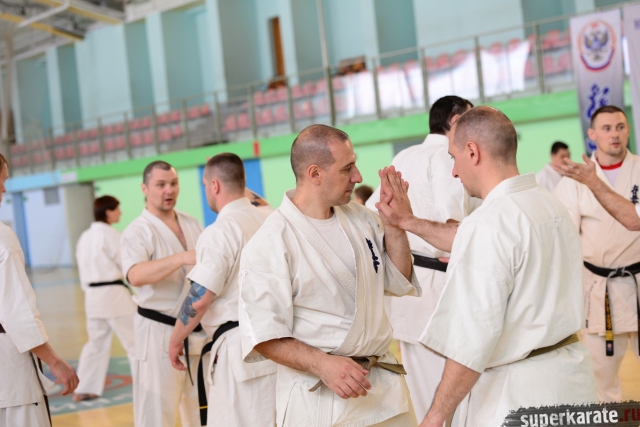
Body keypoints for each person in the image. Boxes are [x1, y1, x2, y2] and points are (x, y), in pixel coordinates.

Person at [377, 106, 596, 426]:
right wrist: (407, 221)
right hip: (571, 379)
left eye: (453, 158)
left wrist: (436, 415)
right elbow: (467, 235)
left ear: (472, 152)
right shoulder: (547, 203)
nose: (454, 172)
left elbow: (470, 344)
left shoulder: (490, 223)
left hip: (518, 394)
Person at [238, 124, 421, 426]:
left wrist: (397, 224)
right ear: (315, 174)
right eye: (347, 168)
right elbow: (263, 334)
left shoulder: (362, 219)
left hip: (383, 391)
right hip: (321, 398)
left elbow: (397, 281)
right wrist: (322, 364)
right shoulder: (271, 242)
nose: (358, 176)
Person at [365, 95, 476, 420]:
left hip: (407, 287)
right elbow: (453, 222)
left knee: (424, 389)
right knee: (453, 393)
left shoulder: (404, 155)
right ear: (454, 121)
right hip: (439, 284)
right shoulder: (445, 156)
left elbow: (372, 212)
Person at [168, 153, 277, 427]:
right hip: (279, 339)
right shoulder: (269, 217)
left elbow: (200, 298)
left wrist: (175, 339)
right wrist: (231, 174)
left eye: (206, 185)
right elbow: (254, 199)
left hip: (240, 347)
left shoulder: (220, 231)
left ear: (214, 185)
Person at [554, 105, 640, 402]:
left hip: (639, 282)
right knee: (600, 380)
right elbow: (564, 238)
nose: (614, 134)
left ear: (628, 130)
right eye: (606, 128)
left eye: (620, 127)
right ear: (592, 134)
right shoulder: (573, 181)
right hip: (599, 290)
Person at [120, 160, 204, 427]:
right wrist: (180, 257)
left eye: (174, 183)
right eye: (161, 185)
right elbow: (135, 274)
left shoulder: (191, 223)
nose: (169, 190)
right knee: (157, 414)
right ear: (145, 188)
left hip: (194, 329)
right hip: (157, 330)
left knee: (202, 413)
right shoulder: (137, 230)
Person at [0, 152, 79, 427]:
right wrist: (54, 361)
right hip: (9, 374)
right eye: (2, 180)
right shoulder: (2, 238)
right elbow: (16, 311)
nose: (3, 189)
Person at [73, 195, 136, 402]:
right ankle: (146, 383)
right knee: (135, 341)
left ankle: (84, 388)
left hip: (92, 296)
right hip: (114, 294)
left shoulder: (84, 237)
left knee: (96, 343)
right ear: (108, 212)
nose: (120, 213)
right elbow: (126, 265)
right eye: (117, 209)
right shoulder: (112, 235)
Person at [558, 151, 640, 232]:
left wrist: (593, 182)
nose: (614, 138)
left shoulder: (637, 166)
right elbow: (567, 231)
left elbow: (634, 220)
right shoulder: (574, 177)